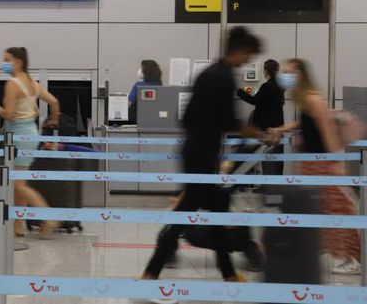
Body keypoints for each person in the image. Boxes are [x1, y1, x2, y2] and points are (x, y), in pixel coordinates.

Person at [141, 27, 263, 297]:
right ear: (239, 50)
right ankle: (151, 273)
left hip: (197, 152)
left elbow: (187, 117)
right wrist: (259, 132)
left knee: (216, 215)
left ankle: (228, 274)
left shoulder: (210, 73)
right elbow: (229, 121)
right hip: (201, 157)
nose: (247, 61)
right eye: (249, 55)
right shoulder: (222, 77)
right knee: (187, 215)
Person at [269, 59, 360, 275]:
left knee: (337, 209)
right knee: (314, 208)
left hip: (322, 164)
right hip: (310, 164)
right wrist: (283, 128)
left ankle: (352, 258)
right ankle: (318, 248)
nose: (284, 76)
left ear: (300, 73)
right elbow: (306, 124)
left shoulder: (313, 98)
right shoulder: (304, 99)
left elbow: (327, 130)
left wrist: (337, 164)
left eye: (288, 72)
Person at [0, 47, 60, 239]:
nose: (4, 63)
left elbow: (9, 114)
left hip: (18, 136)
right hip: (32, 133)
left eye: (7, 60)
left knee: (18, 185)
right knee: (20, 182)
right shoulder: (33, 83)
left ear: (18, 62)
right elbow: (54, 102)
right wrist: (53, 121)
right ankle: (18, 226)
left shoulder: (12, 84)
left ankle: (48, 216)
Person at [236, 59, 285, 175]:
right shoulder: (279, 86)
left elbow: (254, 101)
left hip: (265, 128)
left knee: (248, 154)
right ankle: (272, 186)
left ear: (266, 70)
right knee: (273, 158)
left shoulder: (267, 86)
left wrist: (240, 92)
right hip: (276, 127)